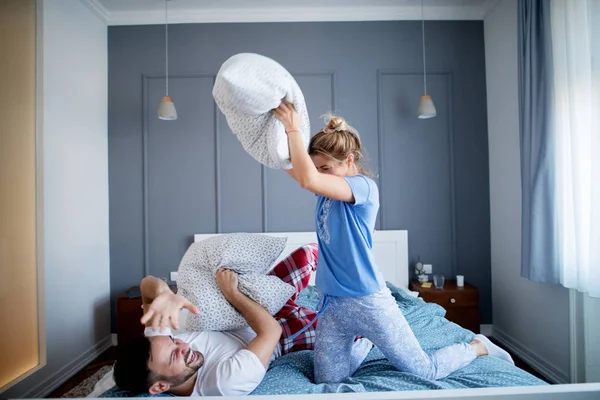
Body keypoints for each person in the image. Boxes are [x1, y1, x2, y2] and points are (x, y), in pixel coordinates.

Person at [272, 102, 514, 383]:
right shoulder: (325, 194)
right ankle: (365, 344)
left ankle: (477, 346)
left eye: (326, 168)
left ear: (350, 160)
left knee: (425, 370)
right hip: (332, 304)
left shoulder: (363, 187)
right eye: (317, 168)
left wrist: (293, 128)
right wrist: (268, 134)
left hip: (367, 301)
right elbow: (292, 166)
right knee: (328, 382)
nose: (320, 174)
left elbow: (308, 179)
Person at [113, 244, 372, 396]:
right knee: (357, 328)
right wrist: (232, 293)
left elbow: (147, 284)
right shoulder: (223, 384)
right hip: (280, 333)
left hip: (252, 308)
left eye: (174, 341)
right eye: (175, 357)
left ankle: (356, 266)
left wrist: (163, 294)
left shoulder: (158, 348)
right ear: (159, 387)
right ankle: (367, 292)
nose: (184, 346)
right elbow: (270, 332)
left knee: (307, 253)